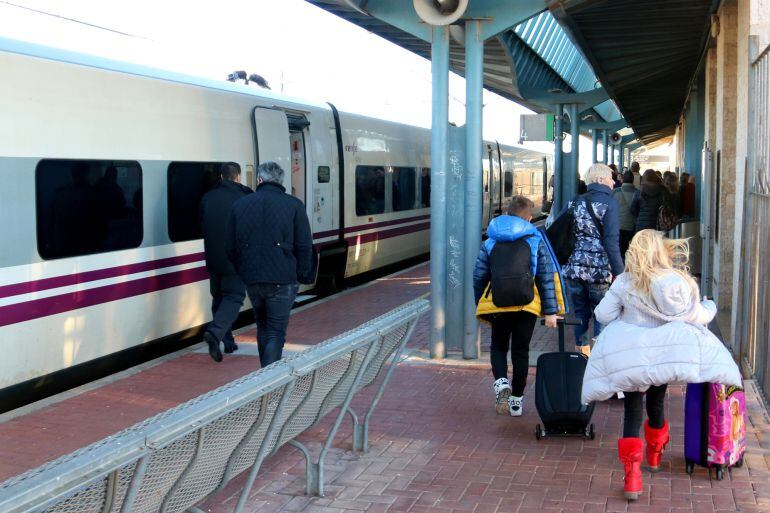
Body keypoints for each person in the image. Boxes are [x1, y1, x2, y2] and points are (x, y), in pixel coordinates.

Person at [581, 230, 739, 500]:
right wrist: (710, 306)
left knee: (632, 411)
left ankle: (632, 478)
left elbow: (603, 314)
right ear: (660, 250)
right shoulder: (678, 281)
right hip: (665, 353)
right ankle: (654, 455)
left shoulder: (625, 282)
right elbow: (696, 315)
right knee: (656, 402)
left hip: (630, 355)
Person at [473, 196, 565, 417]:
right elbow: (545, 276)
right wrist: (551, 311)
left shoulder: (491, 239)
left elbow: (479, 276)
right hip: (527, 305)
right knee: (520, 352)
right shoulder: (535, 238)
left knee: (498, 346)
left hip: (498, 303)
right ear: (529, 218)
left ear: (508, 212)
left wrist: (481, 302)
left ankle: (501, 384)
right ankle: (516, 401)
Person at [225, 161, 315, 368]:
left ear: (259, 180)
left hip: (253, 279)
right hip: (283, 278)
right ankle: (268, 381)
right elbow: (304, 244)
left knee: (263, 327)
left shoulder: (240, 205)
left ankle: (265, 374)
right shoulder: (294, 205)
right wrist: (301, 273)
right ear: (281, 181)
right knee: (275, 331)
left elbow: (229, 246)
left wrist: (243, 269)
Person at [561, 163, 624, 356]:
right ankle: (598, 358)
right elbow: (611, 242)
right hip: (598, 271)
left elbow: (562, 230)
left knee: (580, 314)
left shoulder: (574, 202)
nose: (613, 182)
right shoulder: (610, 204)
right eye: (610, 178)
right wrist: (620, 273)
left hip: (573, 269)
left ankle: (581, 355)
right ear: (600, 179)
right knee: (601, 314)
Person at [200, 162, 253, 362]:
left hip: (213, 259)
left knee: (219, 297)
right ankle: (215, 333)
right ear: (238, 177)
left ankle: (228, 341)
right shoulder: (245, 196)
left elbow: (201, 223)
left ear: (221, 177)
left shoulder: (208, 197)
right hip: (235, 259)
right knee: (234, 297)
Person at [613, 170, 637, 259]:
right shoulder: (637, 193)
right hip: (631, 227)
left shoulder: (615, 192)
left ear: (622, 179)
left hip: (618, 227)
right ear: (633, 180)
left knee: (619, 252)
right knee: (629, 252)